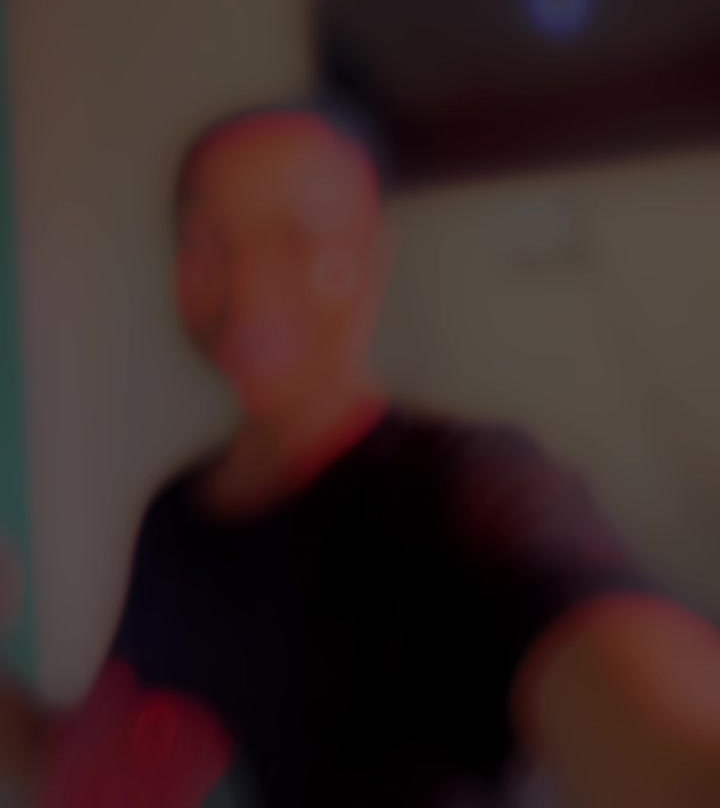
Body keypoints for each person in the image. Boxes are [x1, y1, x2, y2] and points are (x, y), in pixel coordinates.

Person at [2, 100, 720, 806]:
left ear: (372, 255)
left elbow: (638, 700)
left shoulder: (466, 486)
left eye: (295, 239)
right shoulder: (174, 521)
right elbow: (87, 766)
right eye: (207, 243)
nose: (246, 289)